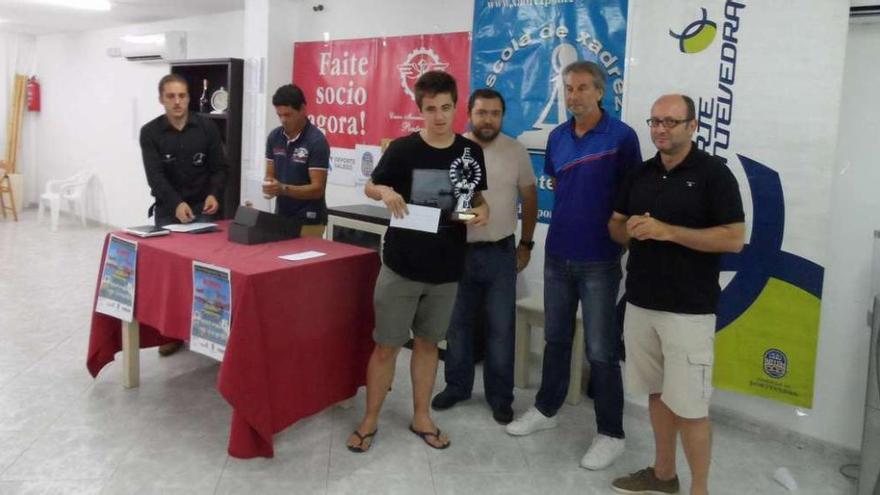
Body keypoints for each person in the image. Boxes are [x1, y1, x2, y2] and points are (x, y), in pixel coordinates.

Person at [505, 61, 642, 472]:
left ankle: (611, 434)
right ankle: (546, 410)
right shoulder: (557, 136)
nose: (574, 95)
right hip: (558, 255)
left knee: (601, 350)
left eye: (583, 88)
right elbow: (563, 188)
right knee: (557, 340)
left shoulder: (622, 137)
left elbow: (632, 194)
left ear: (600, 92)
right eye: (568, 88)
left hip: (600, 258)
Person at [608, 94, 745, 495]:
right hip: (640, 302)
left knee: (692, 409)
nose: (661, 129)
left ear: (692, 126)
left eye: (670, 121)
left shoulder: (714, 174)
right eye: (655, 121)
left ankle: (699, 489)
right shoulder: (641, 173)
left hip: (688, 311)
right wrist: (628, 230)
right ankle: (663, 474)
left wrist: (669, 231)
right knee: (656, 395)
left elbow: (735, 239)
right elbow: (615, 226)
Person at [346, 70, 489, 453]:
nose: (440, 116)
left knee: (428, 345)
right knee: (387, 346)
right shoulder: (403, 150)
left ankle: (421, 415)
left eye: (446, 108)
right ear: (419, 109)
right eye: (431, 109)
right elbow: (370, 186)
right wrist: (386, 191)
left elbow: (474, 204)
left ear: (456, 106)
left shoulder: (469, 152)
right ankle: (370, 418)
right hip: (401, 266)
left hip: (446, 270)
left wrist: (479, 214)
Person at [430, 88, 537, 424]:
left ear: (502, 116)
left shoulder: (515, 150)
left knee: (501, 329)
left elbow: (530, 199)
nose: (487, 119)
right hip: (457, 252)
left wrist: (527, 244)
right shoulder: (454, 148)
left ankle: (500, 397)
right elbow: (440, 202)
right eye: (481, 113)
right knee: (457, 326)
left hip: (500, 253)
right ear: (469, 114)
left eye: (494, 113)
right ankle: (457, 386)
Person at [140, 73, 227, 356]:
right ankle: (171, 333)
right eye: (171, 97)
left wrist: (214, 193)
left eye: (182, 96)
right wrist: (176, 203)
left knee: (205, 273)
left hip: (203, 210)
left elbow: (218, 168)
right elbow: (155, 177)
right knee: (171, 277)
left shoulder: (207, 128)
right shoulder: (150, 132)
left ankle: (207, 331)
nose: (177, 102)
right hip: (168, 211)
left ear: (189, 98)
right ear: (161, 99)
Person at [262, 84, 330, 238]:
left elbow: (317, 189)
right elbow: (270, 176)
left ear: (302, 109)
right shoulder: (274, 137)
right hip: (281, 217)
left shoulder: (316, 141)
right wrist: (269, 186)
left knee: (303, 262)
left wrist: (283, 189)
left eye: (288, 114)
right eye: (279, 115)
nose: (283, 120)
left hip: (309, 220)